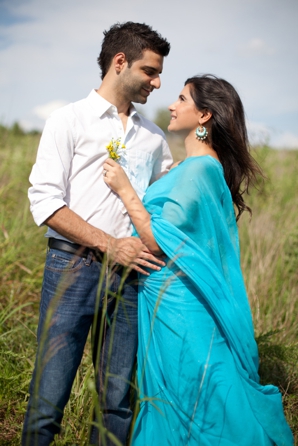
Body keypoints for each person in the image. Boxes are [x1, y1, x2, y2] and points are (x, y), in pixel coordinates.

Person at [103, 74, 294, 445]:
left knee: (192, 394)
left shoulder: (200, 169)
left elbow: (158, 241)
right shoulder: (192, 167)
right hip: (165, 299)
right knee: (179, 396)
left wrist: (126, 189)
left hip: (179, 306)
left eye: (181, 99)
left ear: (204, 115)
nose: (172, 105)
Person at [22, 22, 172, 446]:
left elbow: (167, 205)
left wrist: (204, 133)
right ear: (119, 62)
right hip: (71, 268)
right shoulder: (67, 120)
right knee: (48, 400)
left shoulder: (154, 138)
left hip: (130, 280)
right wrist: (110, 245)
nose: (157, 82)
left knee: (117, 403)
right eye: (150, 71)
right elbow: (46, 203)